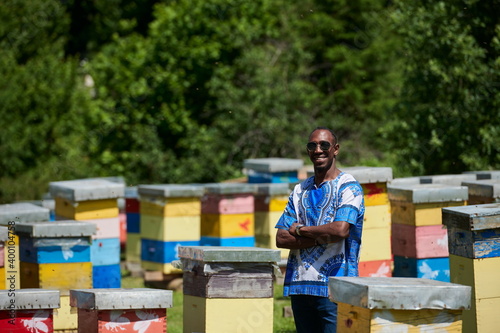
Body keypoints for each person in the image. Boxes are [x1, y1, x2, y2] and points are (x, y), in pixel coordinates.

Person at [275, 126, 365, 333]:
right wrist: (322, 235)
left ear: (335, 149)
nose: (318, 150)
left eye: (324, 145)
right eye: (312, 145)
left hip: (336, 287)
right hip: (300, 286)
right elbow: (281, 238)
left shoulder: (348, 187)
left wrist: (300, 229)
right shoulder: (300, 190)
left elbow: (340, 230)